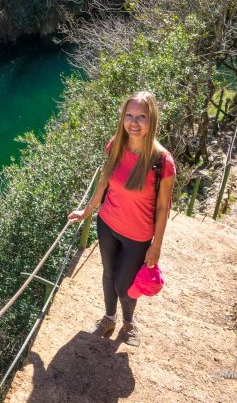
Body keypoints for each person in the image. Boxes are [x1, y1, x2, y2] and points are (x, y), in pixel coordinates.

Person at [68, 91, 176, 347]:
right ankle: (109, 318)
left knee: (124, 285)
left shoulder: (162, 161)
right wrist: (87, 211)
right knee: (108, 273)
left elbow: (163, 208)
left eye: (141, 116)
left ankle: (128, 323)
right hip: (107, 224)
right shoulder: (117, 144)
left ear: (153, 120)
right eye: (129, 115)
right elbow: (104, 180)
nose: (134, 122)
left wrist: (156, 246)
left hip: (137, 236)